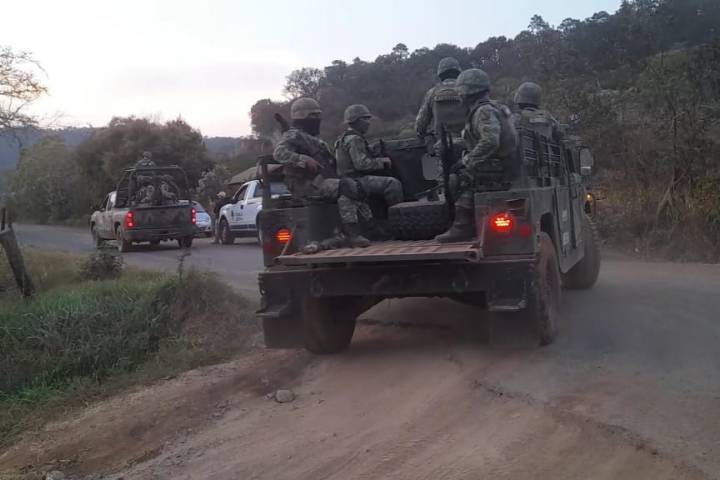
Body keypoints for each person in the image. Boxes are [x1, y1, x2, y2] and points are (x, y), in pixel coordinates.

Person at [274, 97, 371, 248]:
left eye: (318, 115)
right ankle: (352, 235)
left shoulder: (315, 140)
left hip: (321, 181)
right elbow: (279, 153)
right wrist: (303, 159)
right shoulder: (293, 135)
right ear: (302, 117)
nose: (317, 119)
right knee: (346, 187)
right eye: (313, 116)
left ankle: (360, 229)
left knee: (353, 188)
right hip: (307, 185)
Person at [435, 69, 518, 243]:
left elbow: (490, 141)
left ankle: (462, 226)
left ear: (468, 91)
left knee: (459, 179)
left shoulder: (483, 111)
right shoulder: (492, 108)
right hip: (503, 163)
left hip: (497, 166)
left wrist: (466, 160)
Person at [335, 104, 404, 212]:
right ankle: (398, 215)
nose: (368, 122)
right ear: (356, 121)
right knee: (392, 183)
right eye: (365, 118)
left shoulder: (345, 137)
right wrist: (382, 162)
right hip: (355, 180)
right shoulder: (354, 139)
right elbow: (361, 165)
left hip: (348, 179)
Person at [415, 57, 464, 138]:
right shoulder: (468, 89)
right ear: (458, 72)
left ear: (441, 74)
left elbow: (421, 123)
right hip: (469, 141)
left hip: (442, 142)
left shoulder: (432, 92)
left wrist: (421, 132)